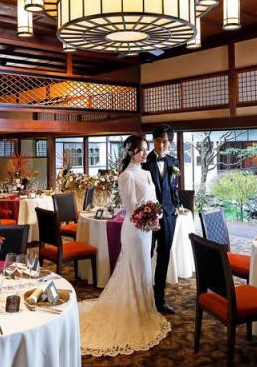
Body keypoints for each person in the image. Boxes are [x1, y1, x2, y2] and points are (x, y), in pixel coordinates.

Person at [78, 134, 171, 356]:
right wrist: (150, 220)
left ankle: (144, 310)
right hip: (135, 232)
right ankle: (133, 312)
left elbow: (152, 202)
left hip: (146, 231)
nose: (145, 153)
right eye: (141, 150)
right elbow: (131, 211)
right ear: (131, 152)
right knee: (134, 268)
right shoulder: (126, 176)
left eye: (146, 149)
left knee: (144, 268)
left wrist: (156, 215)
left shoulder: (146, 172)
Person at [143, 124, 181, 314]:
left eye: (165, 142)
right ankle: (143, 297)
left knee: (164, 256)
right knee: (146, 255)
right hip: (149, 216)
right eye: (158, 141)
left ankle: (160, 300)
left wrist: (177, 205)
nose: (161, 145)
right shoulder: (144, 161)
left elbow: (174, 186)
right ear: (153, 141)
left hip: (169, 215)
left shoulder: (174, 161)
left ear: (170, 143)